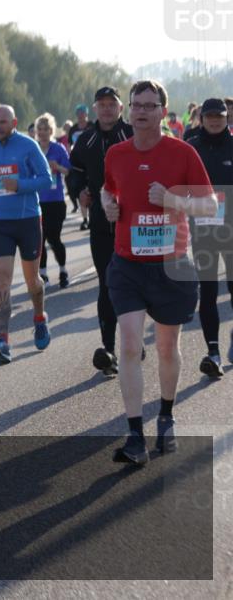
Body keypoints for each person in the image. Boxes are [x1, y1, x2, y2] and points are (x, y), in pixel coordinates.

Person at [102, 80, 216, 465]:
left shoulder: (182, 153)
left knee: (168, 348)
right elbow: (108, 190)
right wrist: (108, 205)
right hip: (128, 264)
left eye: (150, 105)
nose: (141, 111)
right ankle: (135, 435)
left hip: (172, 264)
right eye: (136, 105)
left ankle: (165, 414)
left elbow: (210, 205)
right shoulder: (116, 154)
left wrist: (171, 200)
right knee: (131, 345)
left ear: (163, 112)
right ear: (128, 110)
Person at [0, 105, 54, 364]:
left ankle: (40, 318)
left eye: (3, 122)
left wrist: (19, 185)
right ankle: (3, 339)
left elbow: (46, 179)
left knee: (33, 281)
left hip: (28, 219)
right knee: (2, 281)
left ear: (14, 122)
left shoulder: (28, 145)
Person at [69, 86, 134, 377]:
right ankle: (108, 350)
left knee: (134, 286)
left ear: (121, 108)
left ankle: (131, 342)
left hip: (132, 224)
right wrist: (80, 190)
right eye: (102, 105)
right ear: (95, 108)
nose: (107, 110)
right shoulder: (86, 139)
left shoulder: (132, 134)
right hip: (100, 225)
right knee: (107, 285)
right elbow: (76, 171)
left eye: (112, 104)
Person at [187, 98, 233, 378]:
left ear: (227, 117)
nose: (215, 120)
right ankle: (213, 352)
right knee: (208, 293)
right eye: (210, 116)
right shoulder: (192, 148)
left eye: (220, 115)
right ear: (202, 118)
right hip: (203, 229)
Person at [35, 113, 72, 289]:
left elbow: (69, 171)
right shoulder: (33, 149)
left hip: (56, 201)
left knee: (54, 238)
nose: (42, 133)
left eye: (46, 129)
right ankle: (42, 274)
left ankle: (63, 271)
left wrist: (57, 167)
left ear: (51, 130)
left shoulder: (58, 149)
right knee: (39, 240)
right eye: (39, 129)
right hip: (37, 201)